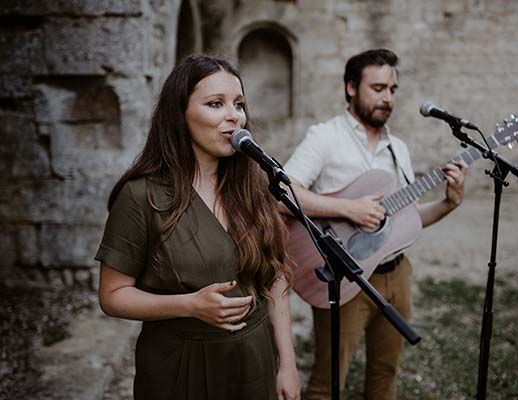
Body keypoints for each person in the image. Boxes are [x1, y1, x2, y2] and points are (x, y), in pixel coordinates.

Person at [96, 54, 301, 400]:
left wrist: (288, 364)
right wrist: (190, 305)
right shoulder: (140, 196)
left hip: (254, 360)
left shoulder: (252, 185)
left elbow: (275, 275)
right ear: (180, 114)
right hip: (181, 366)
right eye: (215, 104)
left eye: (238, 104)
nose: (233, 115)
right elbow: (112, 296)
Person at [283, 48, 468, 399]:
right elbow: (281, 193)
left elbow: (405, 221)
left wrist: (448, 202)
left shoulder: (398, 148)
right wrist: (348, 209)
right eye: (378, 88)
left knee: (385, 376)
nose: (387, 98)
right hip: (341, 277)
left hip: (396, 276)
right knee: (327, 383)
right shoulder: (325, 137)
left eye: (392, 90)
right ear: (351, 87)